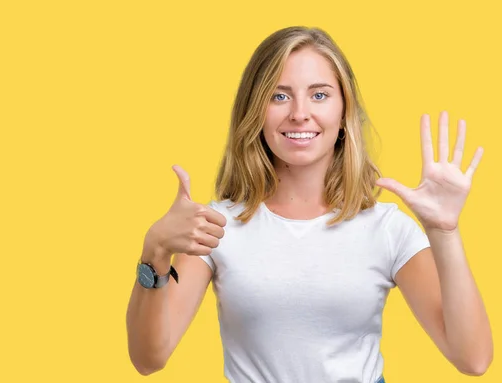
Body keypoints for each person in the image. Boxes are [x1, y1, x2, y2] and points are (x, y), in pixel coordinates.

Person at [125, 26, 493, 382]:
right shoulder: (214, 226)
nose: (300, 113)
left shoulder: (388, 229)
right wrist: (154, 251)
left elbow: (473, 359)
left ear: (344, 111)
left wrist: (445, 231)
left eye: (319, 95)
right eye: (279, 95)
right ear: (255, 110)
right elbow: (148, 359)